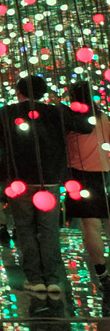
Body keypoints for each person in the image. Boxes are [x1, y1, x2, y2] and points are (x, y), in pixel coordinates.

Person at [0, 74, 93, 296]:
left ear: (19, 92)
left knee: (25, 229)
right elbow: (85, 127)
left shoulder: (6, 112)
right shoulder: (55, 112)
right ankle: (52, 279)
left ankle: (35, 279)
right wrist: (68, 106)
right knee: (49, 230)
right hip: (48, 180)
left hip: (17, 181)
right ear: (43, 93)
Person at [63, 81, 110, 292]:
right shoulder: (103, 118)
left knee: (91, 226)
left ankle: (101, 271)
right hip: (105, 173)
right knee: (107, 222)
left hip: (80, 175)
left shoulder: (73, 121)